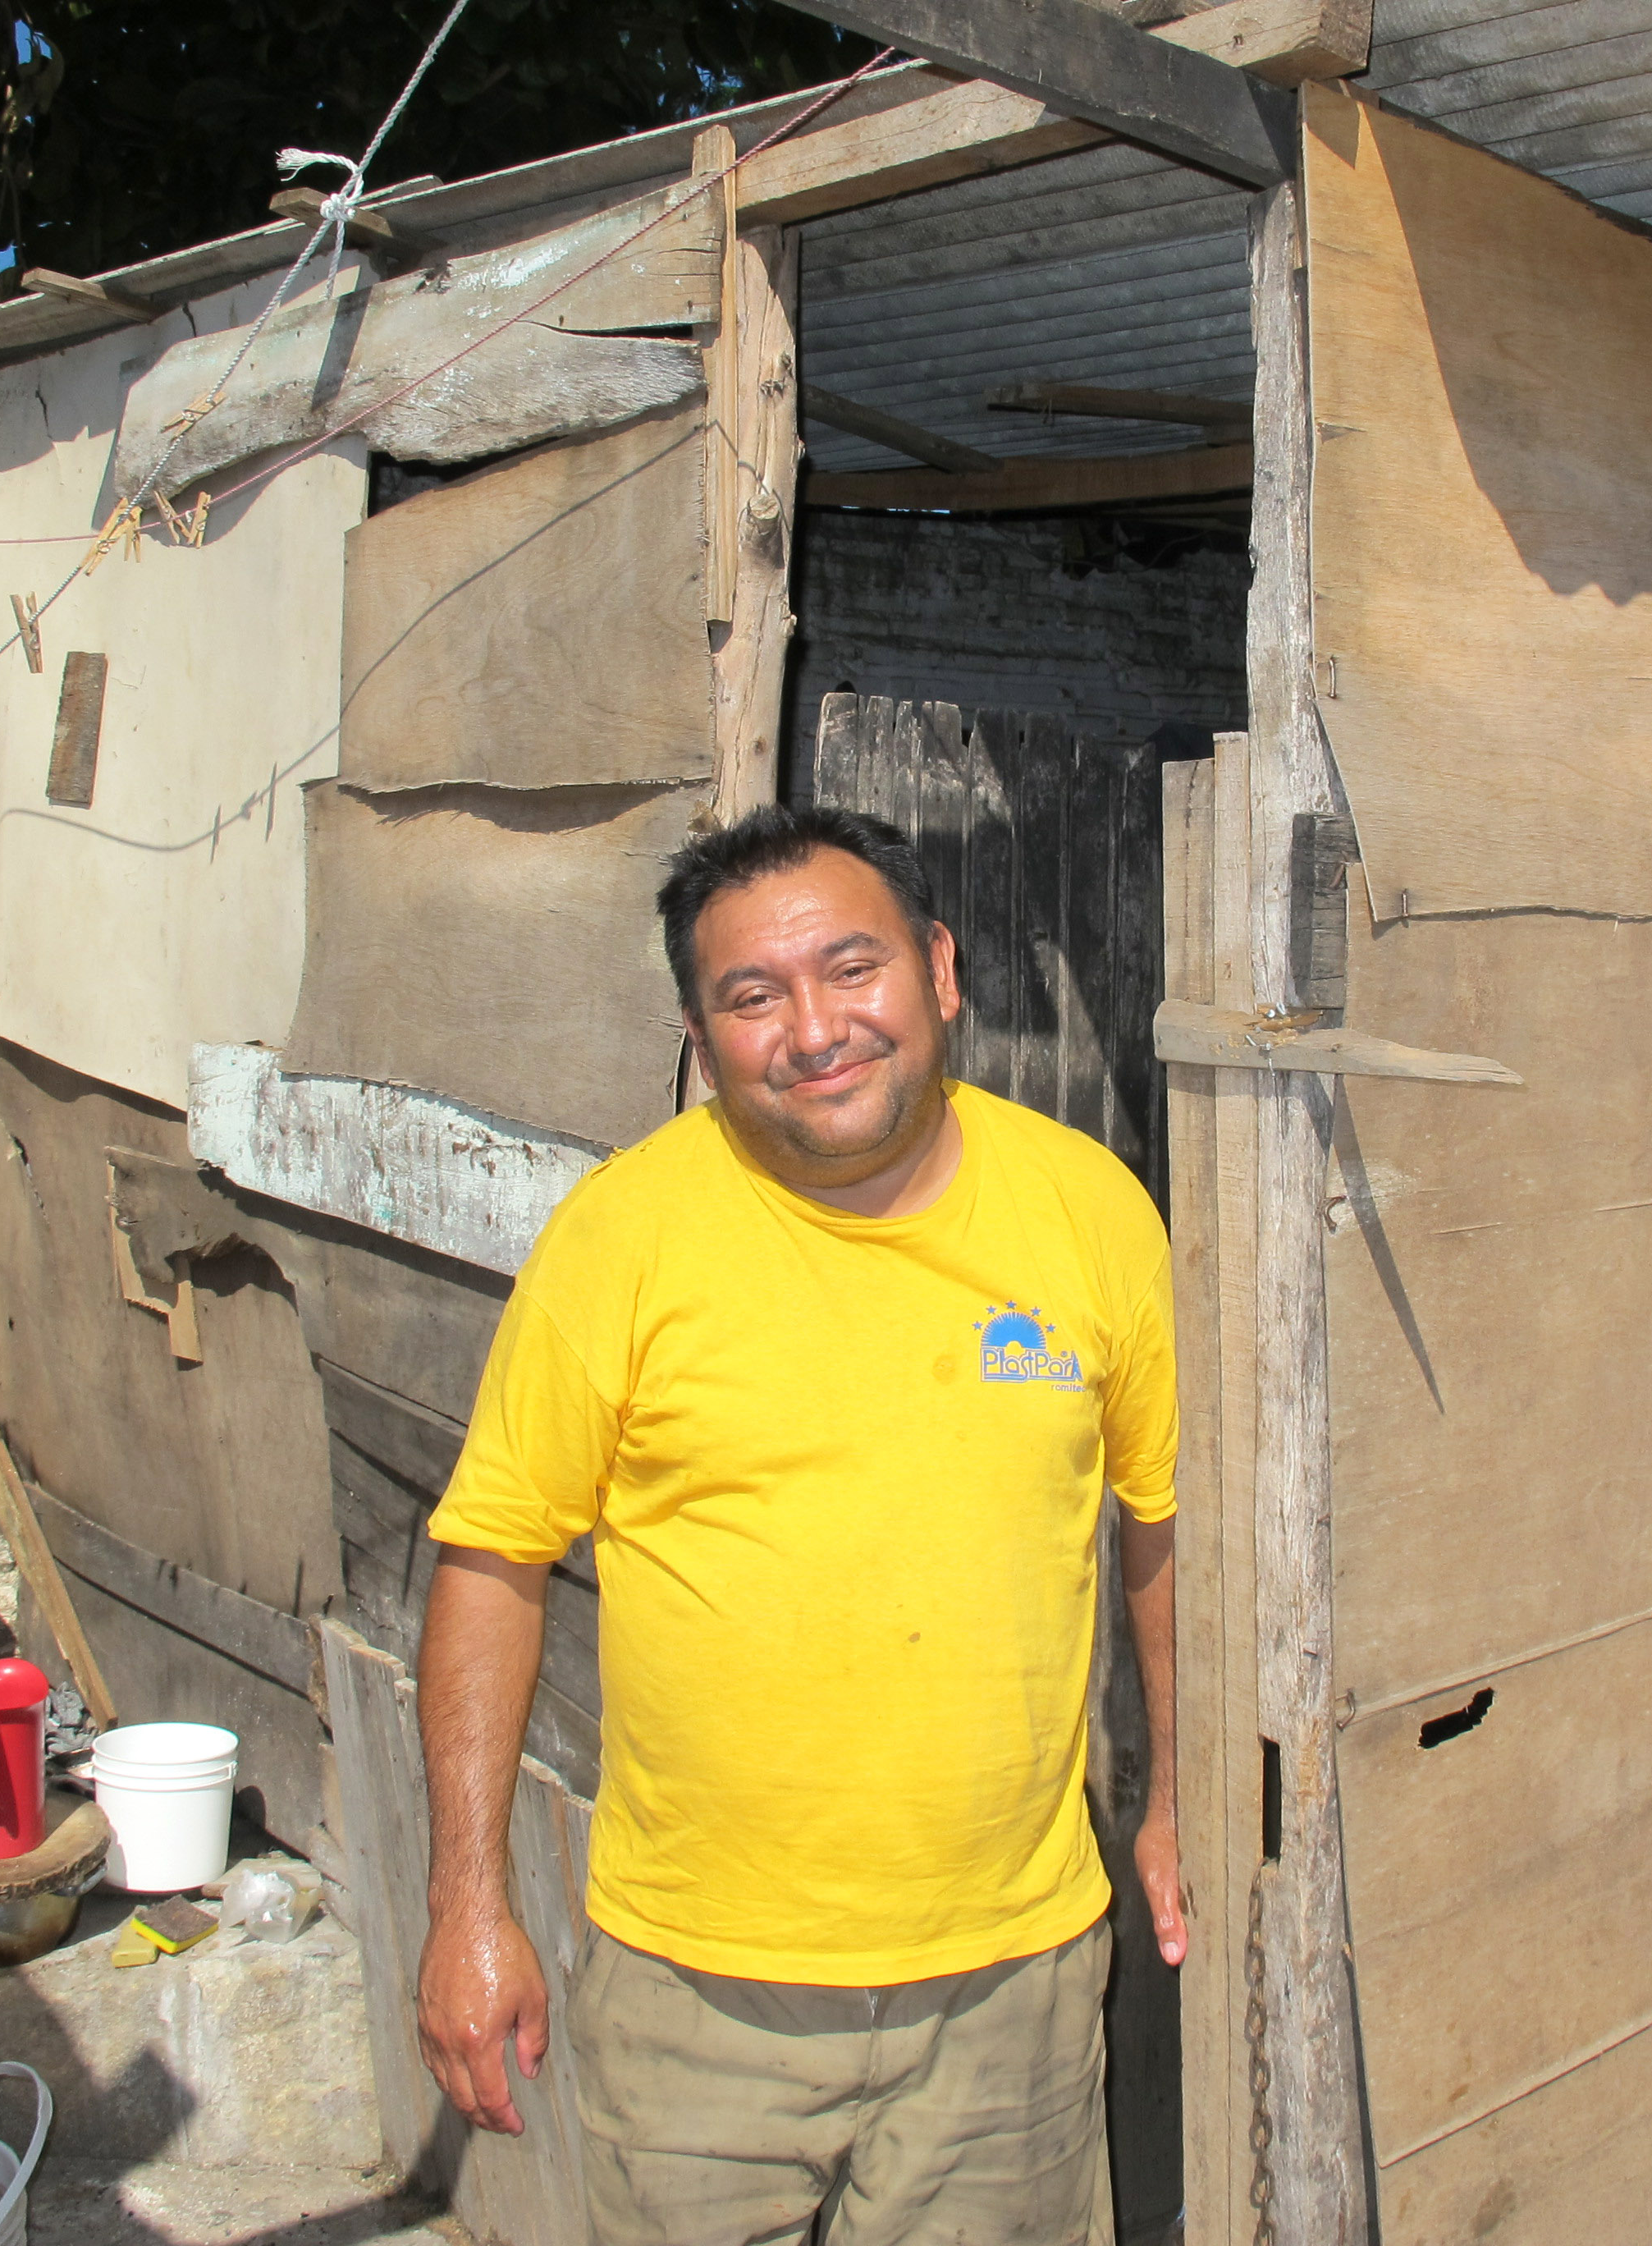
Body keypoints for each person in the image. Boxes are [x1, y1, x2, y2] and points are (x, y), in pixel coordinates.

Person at [412, 802, 1183, 2244]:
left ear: (940, 972)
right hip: (697, 2001)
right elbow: (495, 1558)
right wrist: (469, 1902)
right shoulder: (622, 1238)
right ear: (702, 1041)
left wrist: (1185, 1793)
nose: (815, 1029)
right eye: (752, 997)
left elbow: (1163, 1523)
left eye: (853, 969)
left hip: (1007, 1992)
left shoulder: (1090, 1214)